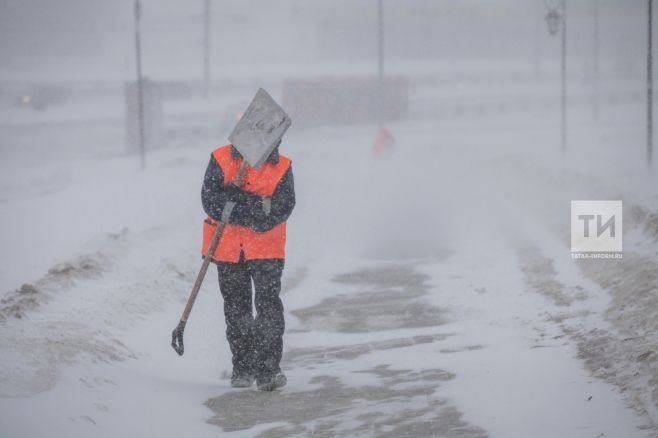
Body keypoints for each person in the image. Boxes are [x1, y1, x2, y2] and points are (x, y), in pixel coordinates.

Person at [201, 141, 295, 391]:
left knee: (268, 307)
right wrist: (254, 208)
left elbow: (282, 207)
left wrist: (241, 206)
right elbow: (211, 200)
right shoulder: (220, 158)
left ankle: (269, 370)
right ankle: (242, 367)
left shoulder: (282, 166)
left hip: (266, 250)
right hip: (229, 250)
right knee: (236, 309)